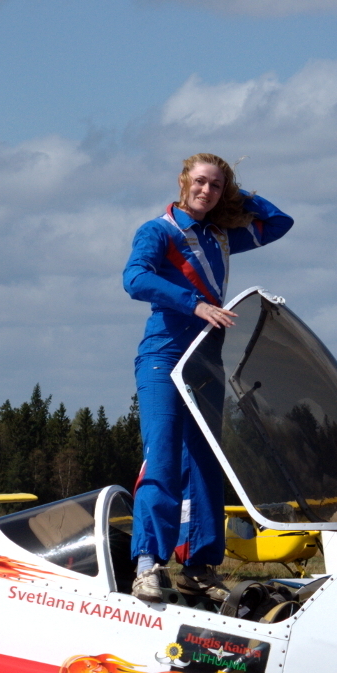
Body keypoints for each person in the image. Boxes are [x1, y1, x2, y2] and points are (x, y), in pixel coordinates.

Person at [122, 153, 293, 602]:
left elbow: (279, 223)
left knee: (204, 463)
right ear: (182, 182)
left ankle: (198, 568)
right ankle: (147, 564)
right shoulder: (158, 231)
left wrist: (238, 195)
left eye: (216, 186)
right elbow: (135, 278)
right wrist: (193, 303)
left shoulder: (219, 236)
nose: (206, 191)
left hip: (206, 360)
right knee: (162, 457)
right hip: (164, 354)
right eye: (199, 182)